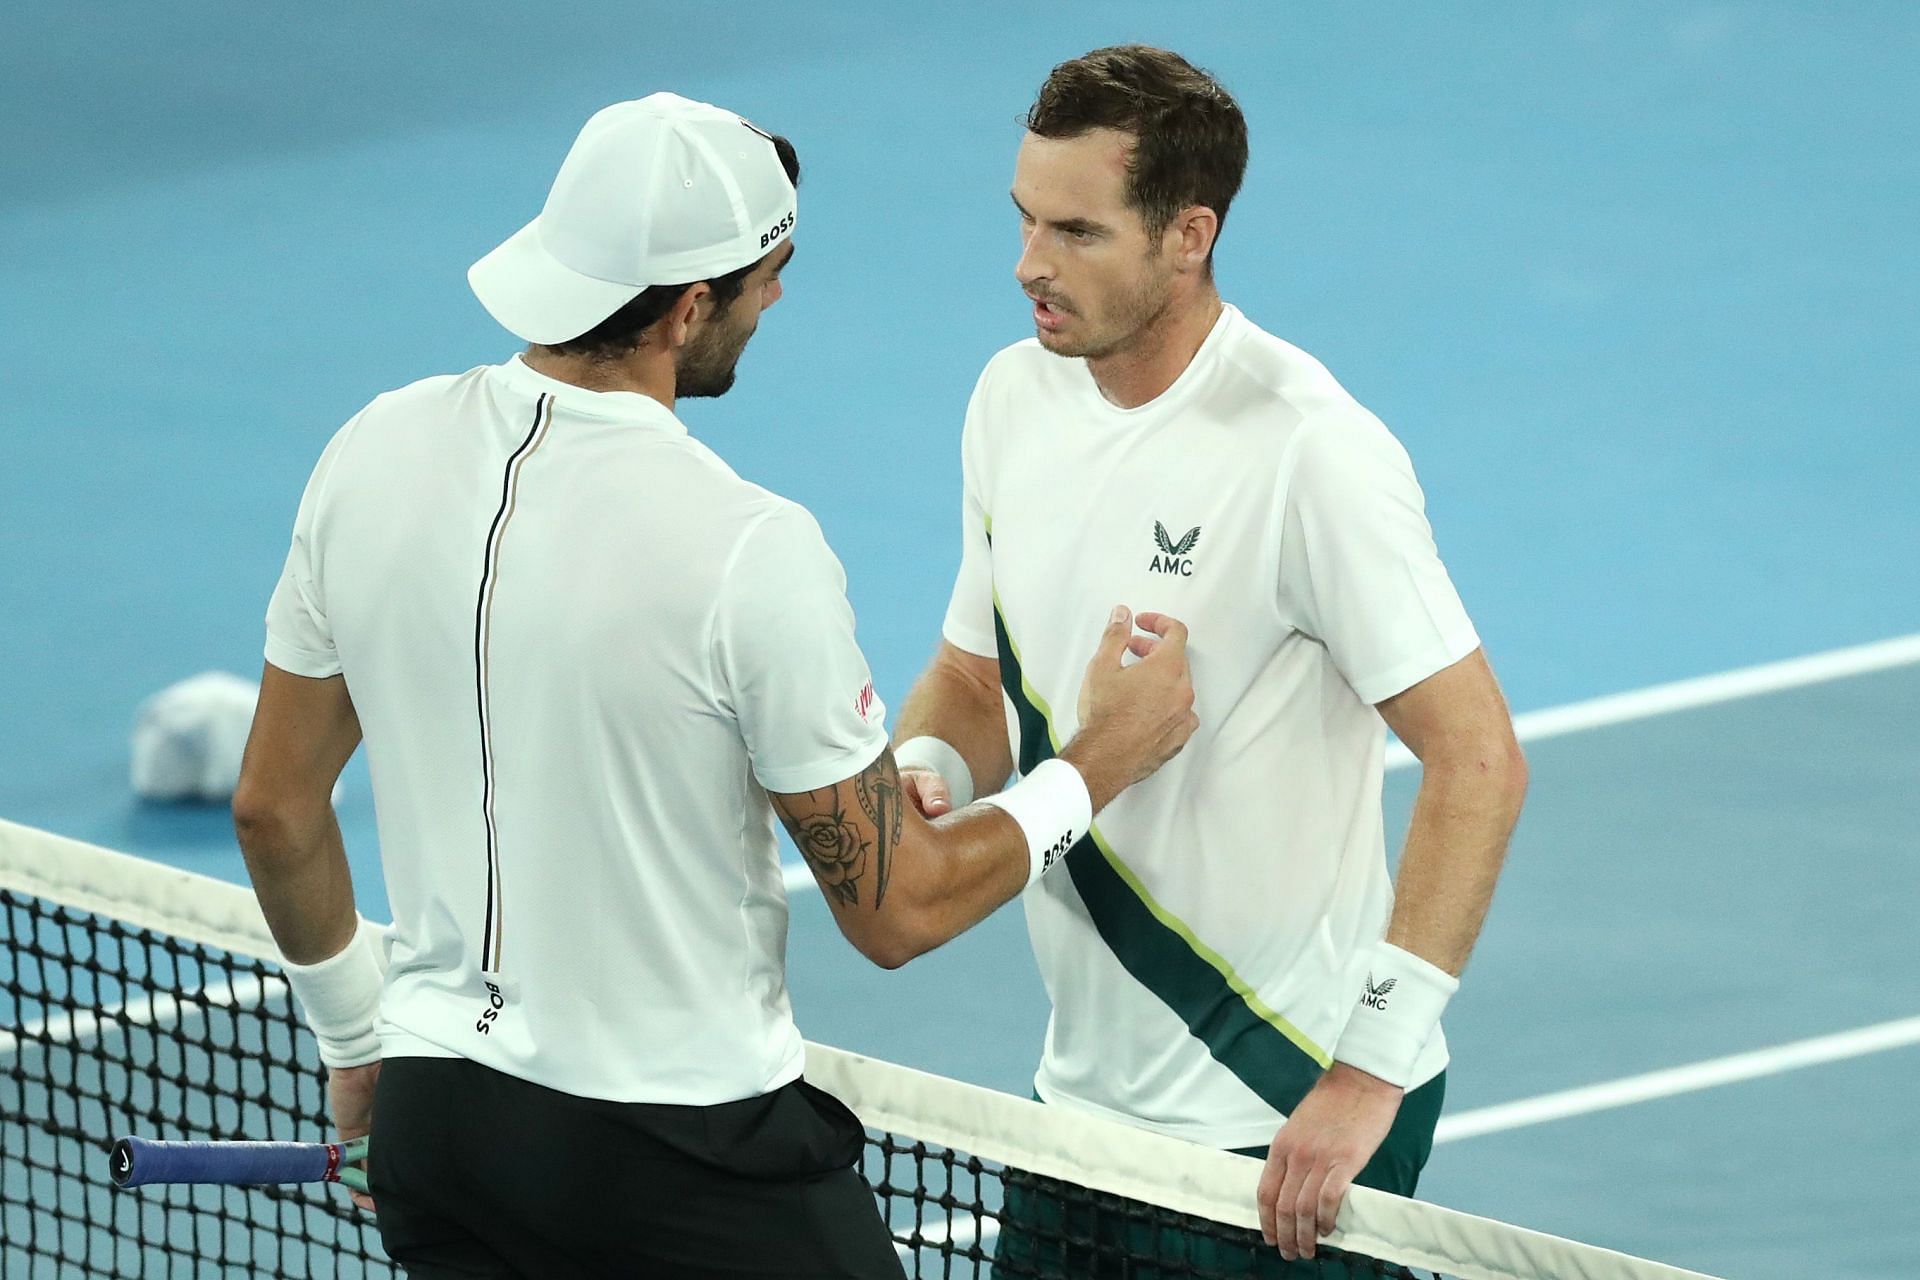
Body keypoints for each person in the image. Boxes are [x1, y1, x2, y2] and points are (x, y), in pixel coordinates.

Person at [232, 92, 1198, 1280]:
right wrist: (1095, 762)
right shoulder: (746, 545)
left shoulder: (367, 452)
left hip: (445, 1138)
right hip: (681, 1165)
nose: (777, 297)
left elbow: (274, 808)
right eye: (766, 275)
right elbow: (896, 910)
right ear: (691, 308)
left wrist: (354, 1037)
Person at [889, 47, 1530, 1274]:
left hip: (1278, 1114)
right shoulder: (1012, 397)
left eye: (1075, 230)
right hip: (1079, 1108)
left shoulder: (1310, 454)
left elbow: (1481, 759)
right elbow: (976, 674)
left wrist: (1369, 1069)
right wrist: (925, 764)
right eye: (1023, 218)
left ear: (1190, 235)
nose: (1029, 262)